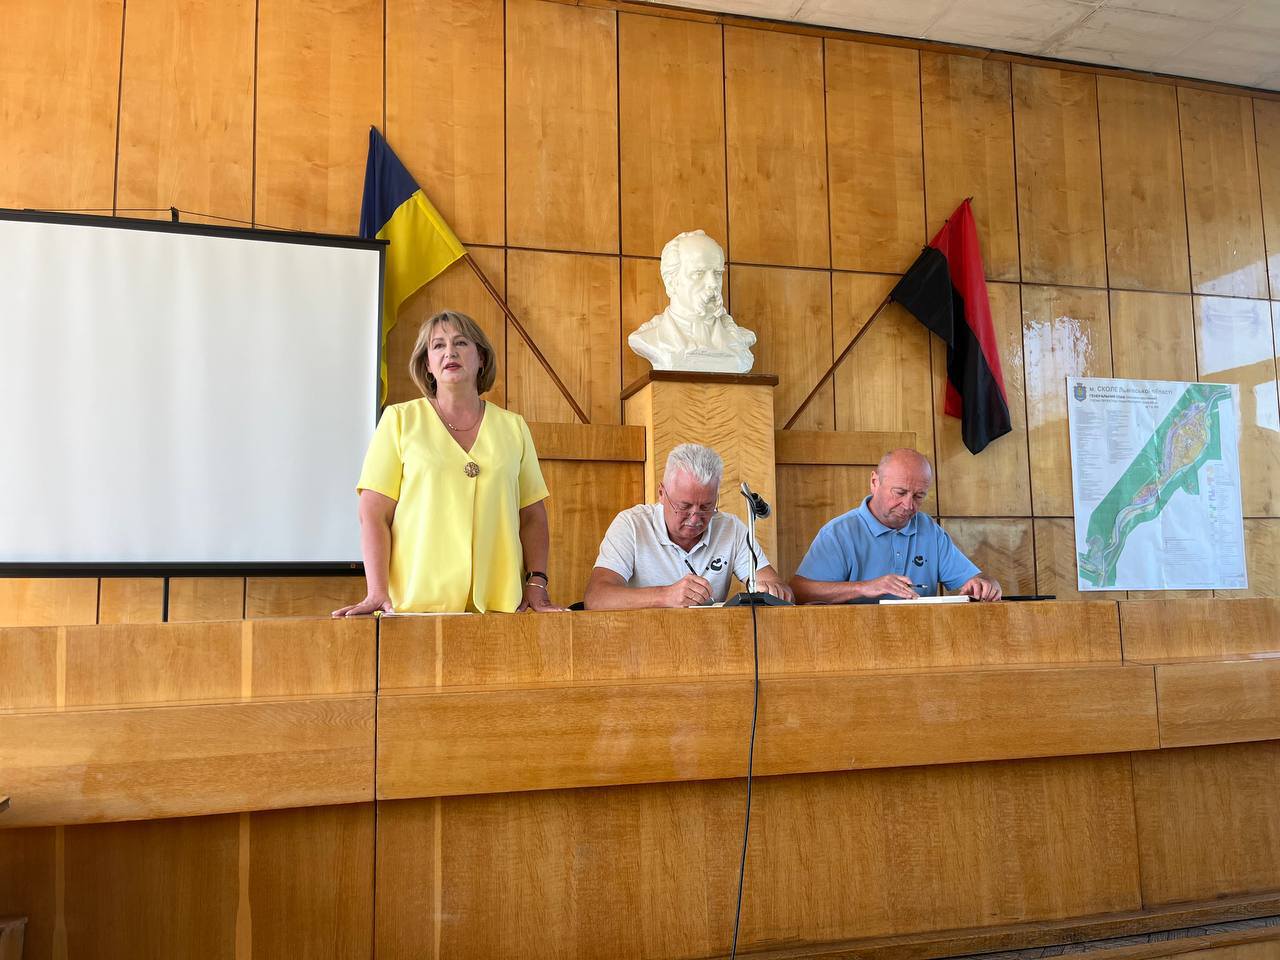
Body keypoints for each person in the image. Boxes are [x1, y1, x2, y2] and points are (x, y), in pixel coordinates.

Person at [334, 310, 560, 615]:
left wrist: (537, 584)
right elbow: (373, 514)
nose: (450, 352)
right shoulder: (399, 421)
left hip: (500, 608)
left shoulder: (514, 427)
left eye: (461, 342)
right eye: (438, 345)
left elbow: (532, 517)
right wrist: (376, 591)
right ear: (428, 364)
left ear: (481, 358)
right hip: (417, 609)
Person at [584, 443, 793, 608]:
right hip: (644, 640)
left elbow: (779, 588)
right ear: (661, 494)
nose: (694, 519)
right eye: (684, 507)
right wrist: (665, 596)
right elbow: (596, 598)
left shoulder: (731, 529)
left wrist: (773, 591)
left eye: (706, 507)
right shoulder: (631, 525)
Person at [790, 448, 1002, 603]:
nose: (909, 505)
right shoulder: (839, 533)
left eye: (919, 496)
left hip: (922, 639)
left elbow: (972, 578)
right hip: (856, 641)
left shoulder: (929, 530)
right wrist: (864, 588)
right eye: (900, 493)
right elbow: (799, 592)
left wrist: (984, 583)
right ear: (875, 482)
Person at [628, 230, 757, 373]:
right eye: (699, 274)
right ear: (671, 282)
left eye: (717, 273)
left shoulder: (740, 338)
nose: (713, 283)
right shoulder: (649, 339)